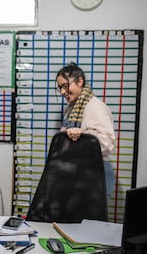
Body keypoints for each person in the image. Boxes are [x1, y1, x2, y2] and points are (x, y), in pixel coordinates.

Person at [55, 62, 116, 200]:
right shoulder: (71, 108)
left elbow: (107, 143)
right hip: (76, 173)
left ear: (80, 81)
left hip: (94, 175)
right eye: (60, 88)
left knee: (91, 221)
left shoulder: (95, 107)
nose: (63, 92)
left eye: (65, 86)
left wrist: (83, 136)